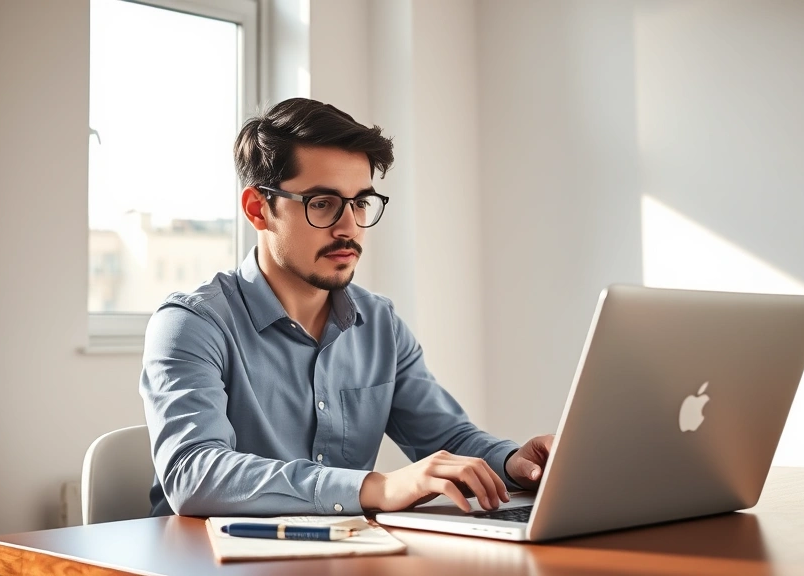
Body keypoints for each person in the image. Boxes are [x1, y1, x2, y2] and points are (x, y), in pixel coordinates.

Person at [139, 98, 553, 517]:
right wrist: (375, 487)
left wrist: (515, 462)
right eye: (322, 202)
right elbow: (194, 474)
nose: (349, 227)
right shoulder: (192, 324)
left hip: (341, 556)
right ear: (258, 209)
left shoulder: (379, 324)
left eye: (360, 202)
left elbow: (447, 438)